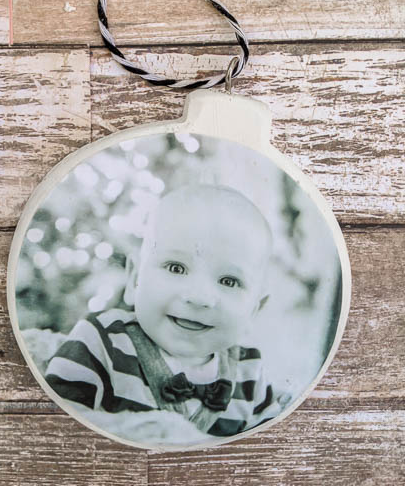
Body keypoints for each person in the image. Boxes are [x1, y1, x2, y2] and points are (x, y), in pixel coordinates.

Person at [44, 184, 288, 441]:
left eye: (228, 281)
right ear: (134, 278)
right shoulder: (100, 342)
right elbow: (56, 433)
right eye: (176, 268)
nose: (198, 297)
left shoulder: (249, 372)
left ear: (254, 310)